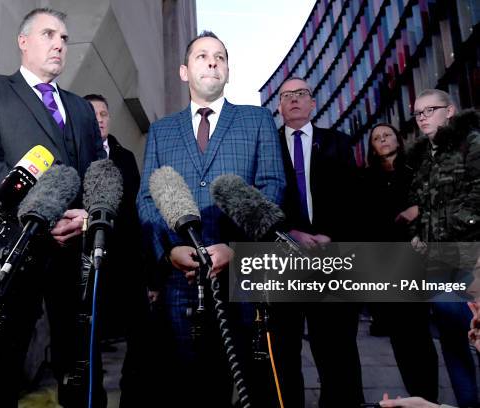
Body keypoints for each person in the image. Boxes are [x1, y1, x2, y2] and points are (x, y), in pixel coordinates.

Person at [0, 8, 105, 407]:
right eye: (48, 34)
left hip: (71, 250)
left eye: (64, 37)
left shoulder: (79, 108)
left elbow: (96, 170)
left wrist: (88, 214)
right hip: (13, 247)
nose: (60, 43)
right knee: (1, 363)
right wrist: (46, 210)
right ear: (23, 41)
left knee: (77, 362)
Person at [136, 31, 286, 407]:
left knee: (253, 385)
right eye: (202, 56)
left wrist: (235, 250)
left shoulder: (256, 121)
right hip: (180, 282)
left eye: (220, 56)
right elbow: (148, 197)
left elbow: (273, 186)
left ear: (228, 71)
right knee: (189, 387)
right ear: (185, 72)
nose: (213, 61)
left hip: (243, 281)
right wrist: (169, 250)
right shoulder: (161, 131)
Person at [267, 76, 364, 407]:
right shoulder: (266, 147)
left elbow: (354, 199)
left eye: (301, 94)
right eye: (286, 95)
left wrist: (331, 234)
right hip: (282, 261)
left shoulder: (339, 142)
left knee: (337, 350)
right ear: (279, 107)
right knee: (282, 350)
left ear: (312, 103)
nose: (294, 99)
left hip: (330, 258)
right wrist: (288, 231)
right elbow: (260, 199)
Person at [408, 89, 480, 408]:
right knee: (451, 339)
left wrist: (441, 230)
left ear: (449, 111)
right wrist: (418, 233)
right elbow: (422, 208)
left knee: (476, 335)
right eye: (418, 113)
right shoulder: (425, 156)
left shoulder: (472, 142)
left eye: (430, 110)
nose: (423, 117)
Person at [83, 93, 152, 407]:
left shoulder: (125, 157)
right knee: (87, 343)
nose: (100, 118)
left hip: (125, 262)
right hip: (85, 264)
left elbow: (138, 211)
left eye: (104, 113)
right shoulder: (72, 152)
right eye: (93, 113)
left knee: (140, 338)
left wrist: (147, 269)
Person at [363, 123, 438, 401]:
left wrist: (415, 211)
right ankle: (414, 396)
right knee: (399, 336)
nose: (383, 140)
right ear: (372, 146)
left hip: (416, 257)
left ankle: (428, 397)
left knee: (418, 334)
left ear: (398, 139)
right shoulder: (367, 179)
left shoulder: (416, 169)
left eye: (387, 135)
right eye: (377, 138)